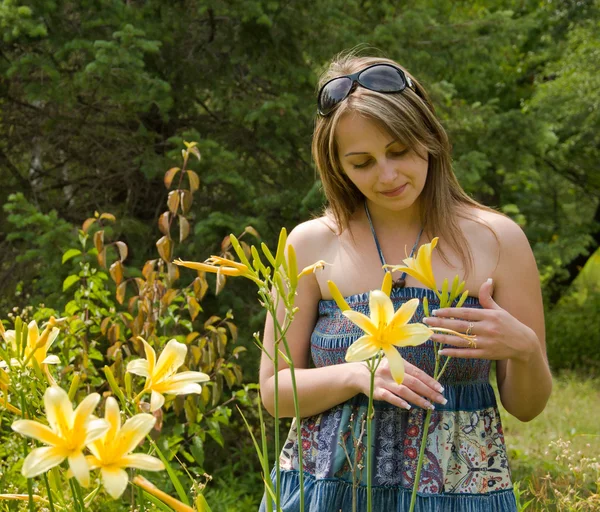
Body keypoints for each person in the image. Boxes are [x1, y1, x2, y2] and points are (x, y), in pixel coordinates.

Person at [258, 51, 552, 511]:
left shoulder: (497, 240)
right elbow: (274, 392)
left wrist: (526, 349)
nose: (388, 175)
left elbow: (528, 407)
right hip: (327, 493)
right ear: (337, 166)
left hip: (455, 497)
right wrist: (357, 375)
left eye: (399, 151)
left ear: (429, 137)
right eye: (362, 162)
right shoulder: (309, 245)